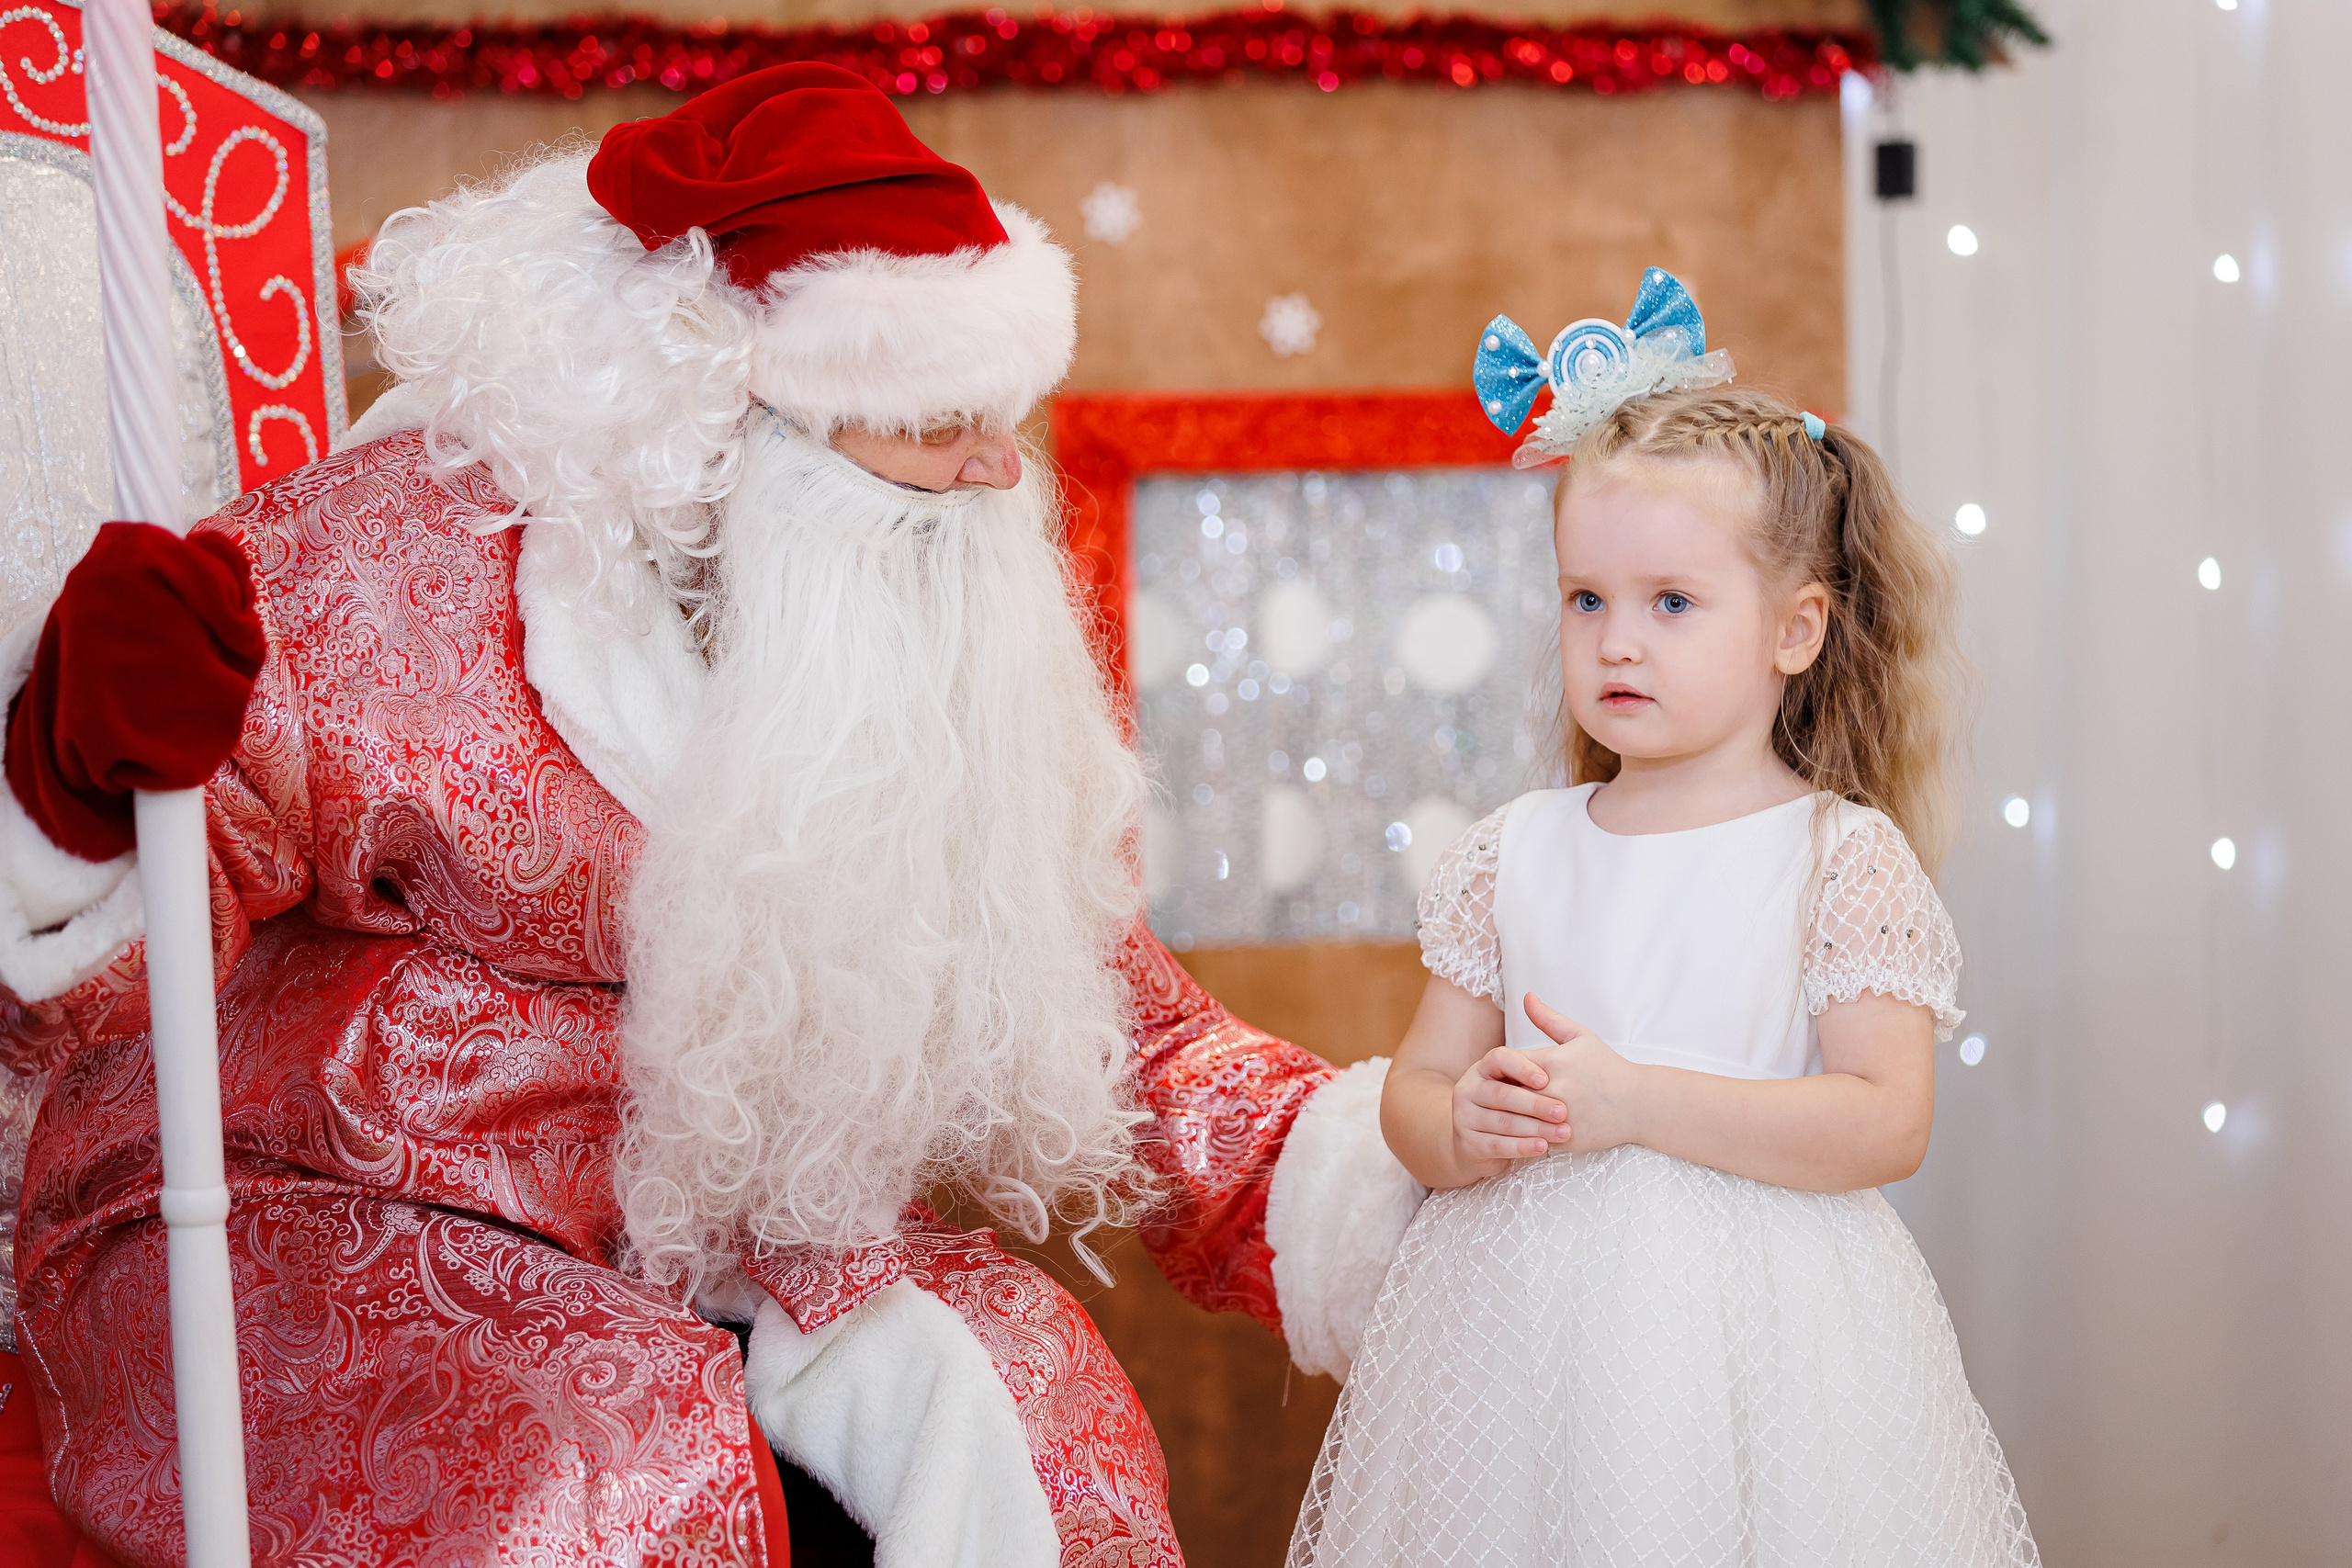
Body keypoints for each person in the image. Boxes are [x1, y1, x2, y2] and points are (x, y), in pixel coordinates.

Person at [0, 64, 1396, 1568]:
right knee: (611, 1476)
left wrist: (1394, 1168)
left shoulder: (916, 641)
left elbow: (1118, 1020)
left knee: (1050, 1415)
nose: (999, 470)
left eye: (1007, 418)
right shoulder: (384, 564)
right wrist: (69, 788)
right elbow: (81, 1002)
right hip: (328, 1200)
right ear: (729, 423)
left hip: (720, 1233)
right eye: (937, 424)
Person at [1285, 274, 2041, 1566]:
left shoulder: (1836, 859)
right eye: (1588, 600)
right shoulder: (1514, 851)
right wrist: (1455, 1125)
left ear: (1795, 630)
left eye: (1671, 604)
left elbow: (1884, 1119)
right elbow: (1417, 1083)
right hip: (1517, 1345)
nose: (1617, 644)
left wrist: (1635, 1104)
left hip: (1771, 1358)